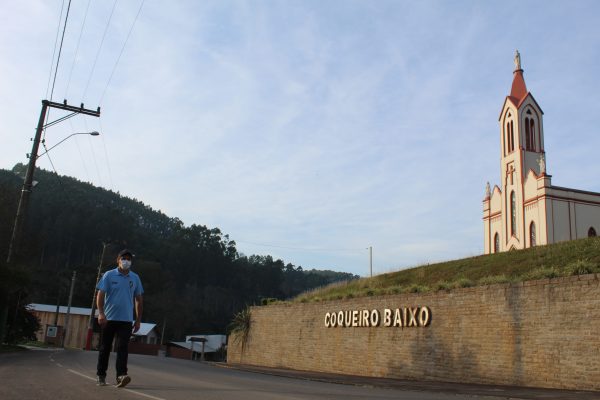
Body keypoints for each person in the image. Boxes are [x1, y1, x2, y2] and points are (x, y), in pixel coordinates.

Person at [96, 249, 144, 388]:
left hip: (126, 320)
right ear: (118, 260)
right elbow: (100, 295)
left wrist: (138, 319)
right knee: (105, 348)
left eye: (129, 259)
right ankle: (101, 375)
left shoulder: (135, 278)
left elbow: (139, 300)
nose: (126, 261)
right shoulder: (109, 275)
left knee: (123, 348)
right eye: (124, 258)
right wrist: (101, 313)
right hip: (108, 319)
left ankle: (121, 376)